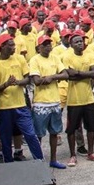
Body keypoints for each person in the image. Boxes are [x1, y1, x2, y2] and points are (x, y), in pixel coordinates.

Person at [0, 35, 45, 162]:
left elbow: (28, 78)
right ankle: (9, 163)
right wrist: (6, 84)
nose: (14, 47)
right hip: (4, 107)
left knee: (30, 134)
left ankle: (40, 161)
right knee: (5, 138)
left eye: (14, 45)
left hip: (21, 105)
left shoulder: (19, 59)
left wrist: (19, 82)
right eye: (11, 45)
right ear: (2, 47)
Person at [62, 31, 94, 166]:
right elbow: (68, 75)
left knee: (91, 127)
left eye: (81, 41)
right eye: (76, 42)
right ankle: (73, 155)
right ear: (71, 44)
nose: (80, 43)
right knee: (72, 129)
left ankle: (90, 152)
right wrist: (86, 74)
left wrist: (78, 73)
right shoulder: (67, 56)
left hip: (88, 98)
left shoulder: (90, 55)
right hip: (74, 99)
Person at [29, 35, 69, 169]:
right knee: (38, 134)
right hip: (41, 102)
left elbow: (65, 74)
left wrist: (52, 77)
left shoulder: (55, 58)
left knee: (54, 132)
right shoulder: (34, 60)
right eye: (44, 44)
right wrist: (52, 78)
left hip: (55, 100)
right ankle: (38, 161)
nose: (48, 47)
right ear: (39, 47)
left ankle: (53, 159)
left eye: (49, 44)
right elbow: (36, 80)